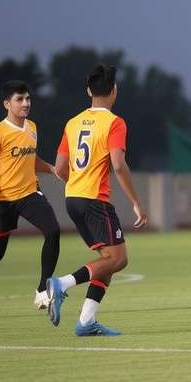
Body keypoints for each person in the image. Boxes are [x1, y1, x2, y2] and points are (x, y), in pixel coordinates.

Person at [47, 64, 147, 336]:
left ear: (89, 91)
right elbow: (118, 164)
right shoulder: (115, 122)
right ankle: (62, 284)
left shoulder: (72, 123)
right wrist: (136, 202)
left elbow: (60, 168)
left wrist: (79, 180)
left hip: (72, 199)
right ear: (114, 90)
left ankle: (86, 321)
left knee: (108, 259)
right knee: (119, 259)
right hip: (94, 200)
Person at [0, 80, 60, 322]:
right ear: (7, 104)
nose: (26, 103)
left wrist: (52, 169)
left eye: (28, 98)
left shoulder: (32, 127)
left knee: (53, 231)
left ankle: (42, 290)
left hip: (29, 194)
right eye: (19, 99)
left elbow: (31, 159)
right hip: (3, 200)